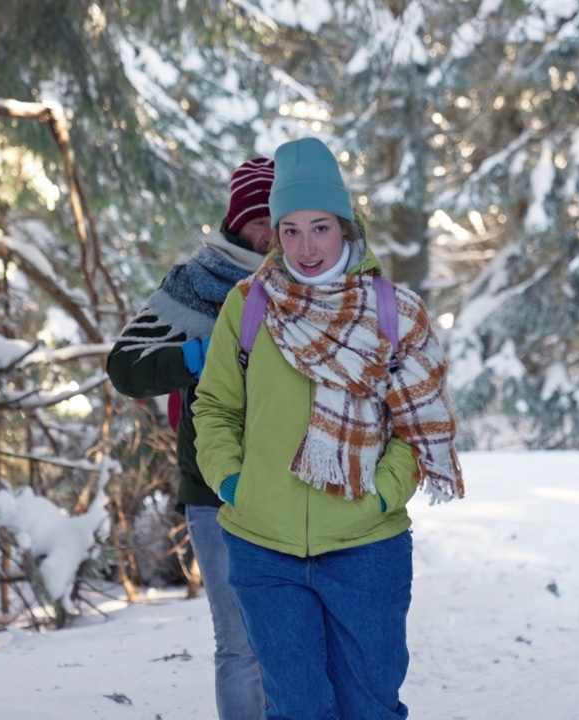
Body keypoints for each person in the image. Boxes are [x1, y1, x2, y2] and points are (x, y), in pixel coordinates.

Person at [192, 137, 464, 720]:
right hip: (264, 548)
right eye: (289, 230)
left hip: (366, 549)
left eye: (320, 227)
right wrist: (234, 481)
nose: (306, 246)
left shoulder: (395, 310)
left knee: (370, 707)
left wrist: (382, 493)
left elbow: (419, 424)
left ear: (346, 224)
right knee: (297, 710)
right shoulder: (249, 305)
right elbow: (214, 406)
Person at [106, 157, 274, 720]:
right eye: (259, 219)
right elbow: (125, 366)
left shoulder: (307, 278)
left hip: (292, 490)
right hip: (212, 489)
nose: (270, 232)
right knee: (241, 647)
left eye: (280, 216)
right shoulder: (198, 282)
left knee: (288, 644)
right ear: (236, 220)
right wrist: (196, 355)